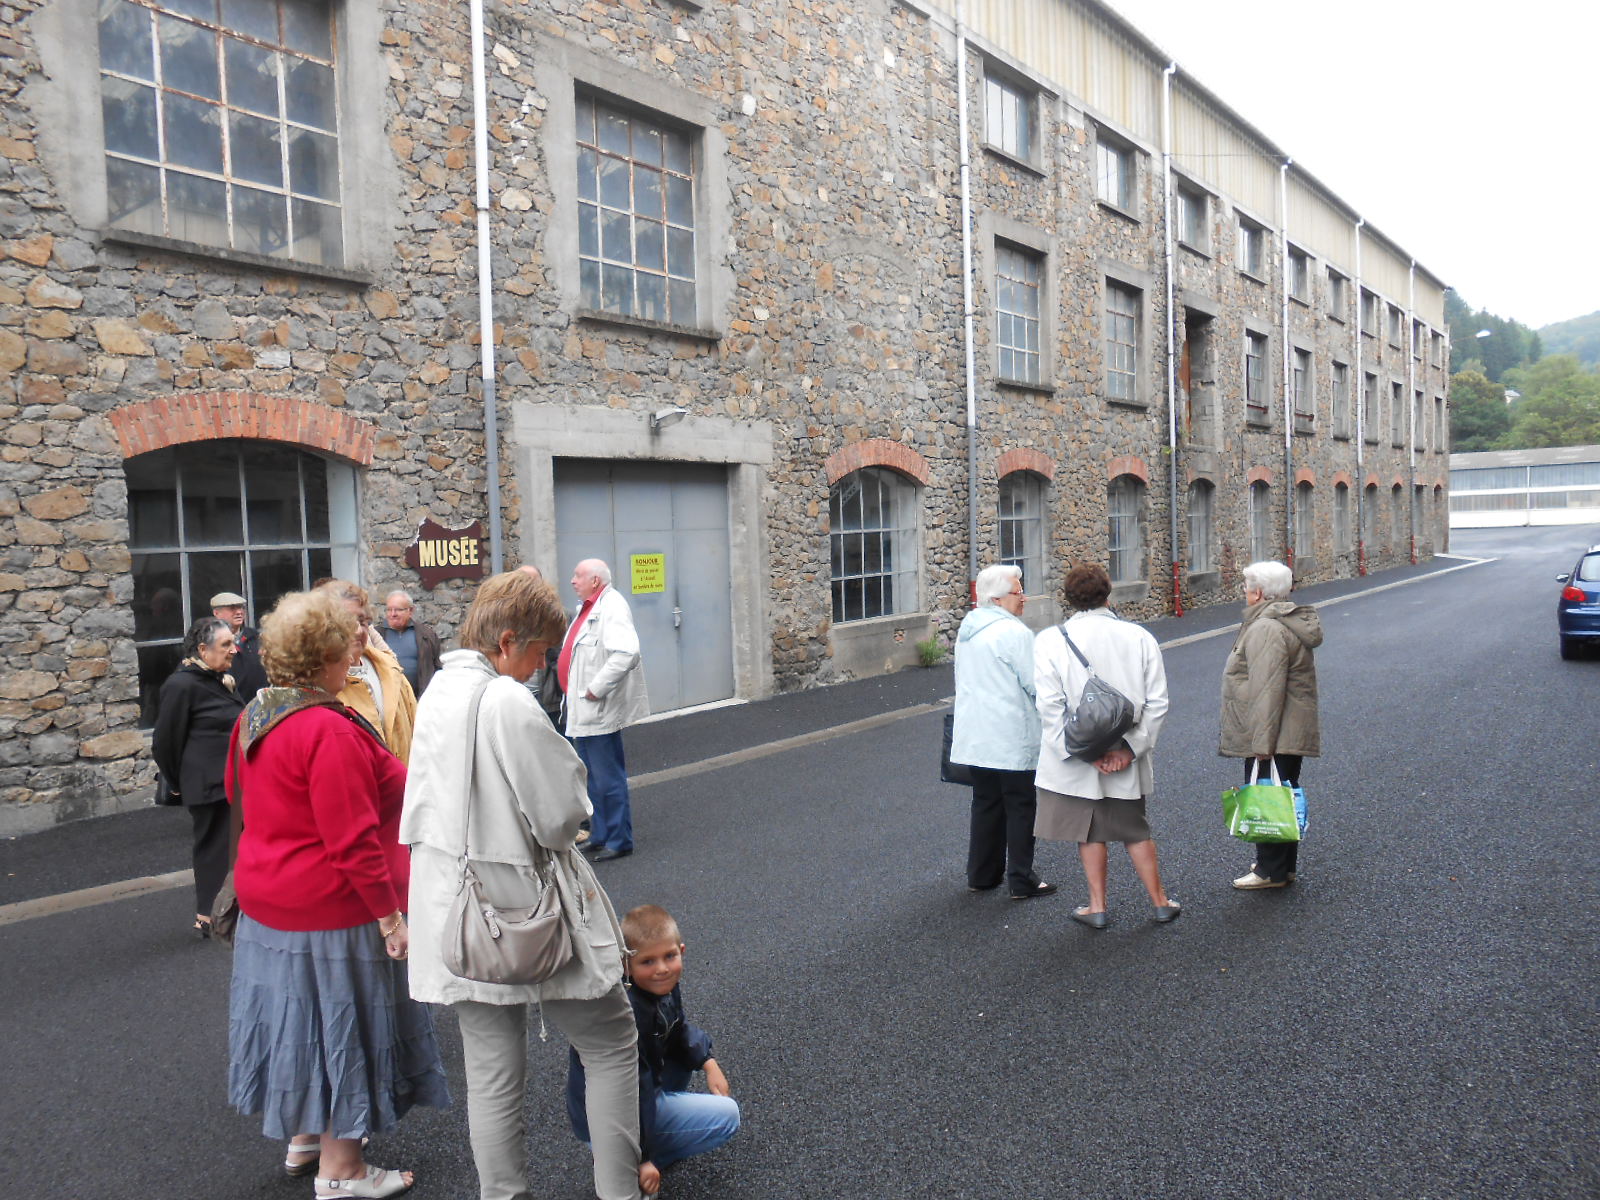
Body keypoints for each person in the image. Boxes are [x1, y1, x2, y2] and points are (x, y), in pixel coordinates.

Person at [402, 570, 648, 1200]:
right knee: (613, 1040)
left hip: (456, 912)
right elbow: (561, 815)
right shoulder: (506, 700)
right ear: (507, 640)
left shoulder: (435, 692)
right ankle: (620, 1194)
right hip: (523, 910)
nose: (542, 669)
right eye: (540, 654)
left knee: (490, 1071)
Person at [225, 589, 449, 1197]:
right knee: (344, 1031)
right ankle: (343, 1171)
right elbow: (350, 843)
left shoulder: (259, 714)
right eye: (347, 638)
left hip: (269, 904)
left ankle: (305, 1140)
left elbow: (237, 797)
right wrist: (390, 919)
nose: (358, 644)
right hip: (331, 909)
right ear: (325, 654)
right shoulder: (328, 730)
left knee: (300, 1025)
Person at [1034, 563, 1179, 929]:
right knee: (1134, 828)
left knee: (1088, 830)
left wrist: (1083, 753)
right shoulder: (1139, 637)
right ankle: (1160, 902)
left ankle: (1097, 906)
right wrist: (1130, 750)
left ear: (1068, 599)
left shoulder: (1050, 640)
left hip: (1077, 756)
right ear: (1107, 593)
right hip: (1125, 753)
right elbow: (1158, 702)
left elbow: (1049, 707)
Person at [567, 904, 740, 1181]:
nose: (661, 969)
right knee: (727, 1116)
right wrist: (644, 1157)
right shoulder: (628, 1014)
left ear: (681, 951)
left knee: (678, 1052)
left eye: (669, 956)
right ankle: (631, 1164)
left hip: (631, 1097)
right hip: (609, 1119)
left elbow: (678, 1030)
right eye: (647, 961)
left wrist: (708, 1061)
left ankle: (651, 1142)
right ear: (626, 964)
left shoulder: (656, 987)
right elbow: (634, 1090)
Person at [949, 564, 1055, 900]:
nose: (1023, 596)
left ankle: (982, 874)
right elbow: (1036, 685)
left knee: (986, 802)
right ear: (997, 598)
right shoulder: (1015, 634)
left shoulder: (969, 630)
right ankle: (1021, 878)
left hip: (976, 734)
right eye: (1017, 590)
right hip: (1011, 734)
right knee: (1021, 805)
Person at [1221, 560, 1323, 890]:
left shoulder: (1265, 628)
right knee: (1281, 795)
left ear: (1259, 594)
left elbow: (1266, 690)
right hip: (1288, 727)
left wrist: (1261, 745)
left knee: (1268, 796)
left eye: (1248, 588)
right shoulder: (1282, 622)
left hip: (1274, 733)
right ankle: (1282, 868)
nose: (1245, 593)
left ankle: (1269, 871)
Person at [151, 616, 245, 938]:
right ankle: (207, 914)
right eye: (226, 645)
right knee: (212, 848)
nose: (234, 650)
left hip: (230, 782)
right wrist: (180, 782)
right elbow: (165, 743)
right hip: (206, 785)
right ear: (203, 650)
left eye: (233, 643)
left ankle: (231, 908)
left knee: (234, 845)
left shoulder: (215, 679)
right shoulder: (181, 685)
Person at [560, 559, 649, 862]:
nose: (572, 580)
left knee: (608, 777)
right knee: (591, 778)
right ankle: (600, 834)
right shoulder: (588, 607)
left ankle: (619, 839)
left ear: (595, 581)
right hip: (583, 711)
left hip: (598, 710)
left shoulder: (612, 607)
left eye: (578, 575)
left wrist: (595, 688)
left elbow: (626, 653)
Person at [318, 580, 419, 763]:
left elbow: (420, 736)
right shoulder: (320, 683)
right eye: (347, 621)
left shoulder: (391, 672)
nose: (358, 630)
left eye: (362, 621)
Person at [381, 590, 444, 697]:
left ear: (411, 610)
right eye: (389, 609)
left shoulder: (427, 635)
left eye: (398, 610)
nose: (392, 614)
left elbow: (437, 668)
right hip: (387, 700)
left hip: (421, 701)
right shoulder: (376, 636)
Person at [211, 590, 268, 700]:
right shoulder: (210, 643)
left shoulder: (255, 637)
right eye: (232, 608)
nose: (239, 612)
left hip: (260, 704)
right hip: (229, 705)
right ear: (216, 613)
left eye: (241, 608)